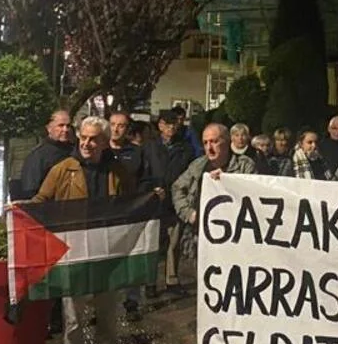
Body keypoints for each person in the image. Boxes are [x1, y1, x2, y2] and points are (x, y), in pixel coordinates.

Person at [29, 116, 135, 344]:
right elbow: (41, 202)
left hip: (108, 256)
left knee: (108, 317)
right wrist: (20, 211)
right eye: (83, 138)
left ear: (104, 142)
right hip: (74, 254)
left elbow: (132, 204)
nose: (87, 143)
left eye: (93, 139)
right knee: (73, 319)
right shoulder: (62, 169)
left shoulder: (118, 171)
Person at [171, 123, 258, 283]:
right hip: (202, 240)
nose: (209, 147)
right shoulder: (197, 165)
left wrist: (227, 180)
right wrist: (188, 213)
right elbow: (177, 188)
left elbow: (253, 194)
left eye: (214, 141)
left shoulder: (245, 165)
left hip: (234, 240)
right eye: (205, 142)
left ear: (227, 141)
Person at [108, 111, 163, 319]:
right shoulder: (100, 150)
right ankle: (104, 305)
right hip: (105, 215)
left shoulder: (137, 152)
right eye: (113, 124)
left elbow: (146, 179)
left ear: (127, 129)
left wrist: (150, 195)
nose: (116, 129)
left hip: (131, 214)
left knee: (132, 258)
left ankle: (132, 302)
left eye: (121, 125)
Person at [151, 110, 195, 291]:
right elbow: (144, 172)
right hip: (154, 201)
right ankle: (150, 282)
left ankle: (172, 278)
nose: (171, 128)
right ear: (160, 125)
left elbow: (191, 173)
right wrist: (151, 188)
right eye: (167, 124)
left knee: (174, 242)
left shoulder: (185, 148)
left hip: (175, 201)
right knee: (153, 244)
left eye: (174, 124)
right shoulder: (150, 147)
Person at [18, 110, 73, 200]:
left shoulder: (76, 150)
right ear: (49, 128)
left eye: (68, 126)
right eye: (61, 125)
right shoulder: (38, 156)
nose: (65, 130)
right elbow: (30, 190)